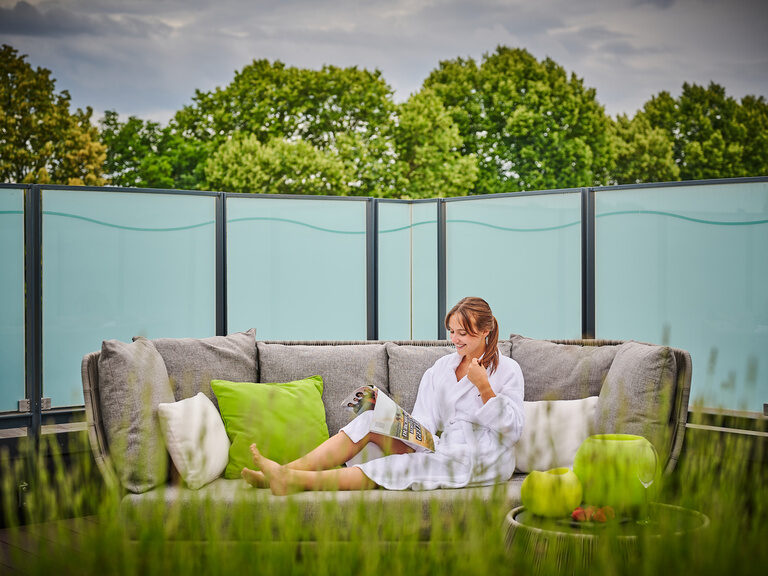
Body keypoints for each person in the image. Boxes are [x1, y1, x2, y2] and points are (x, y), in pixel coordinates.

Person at [242, 297, 525, 495]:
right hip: (443, 446)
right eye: (452, 332)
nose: (455, 339)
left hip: (482, 457)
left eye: (463, 333)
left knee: (399, 466)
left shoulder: (507, 370)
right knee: (368, 420)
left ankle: (293, 480)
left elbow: (512, 432)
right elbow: (426, 420)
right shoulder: (442, 368)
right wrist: (396, 421)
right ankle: (279, 473)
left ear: (486, 330)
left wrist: (484, 387)